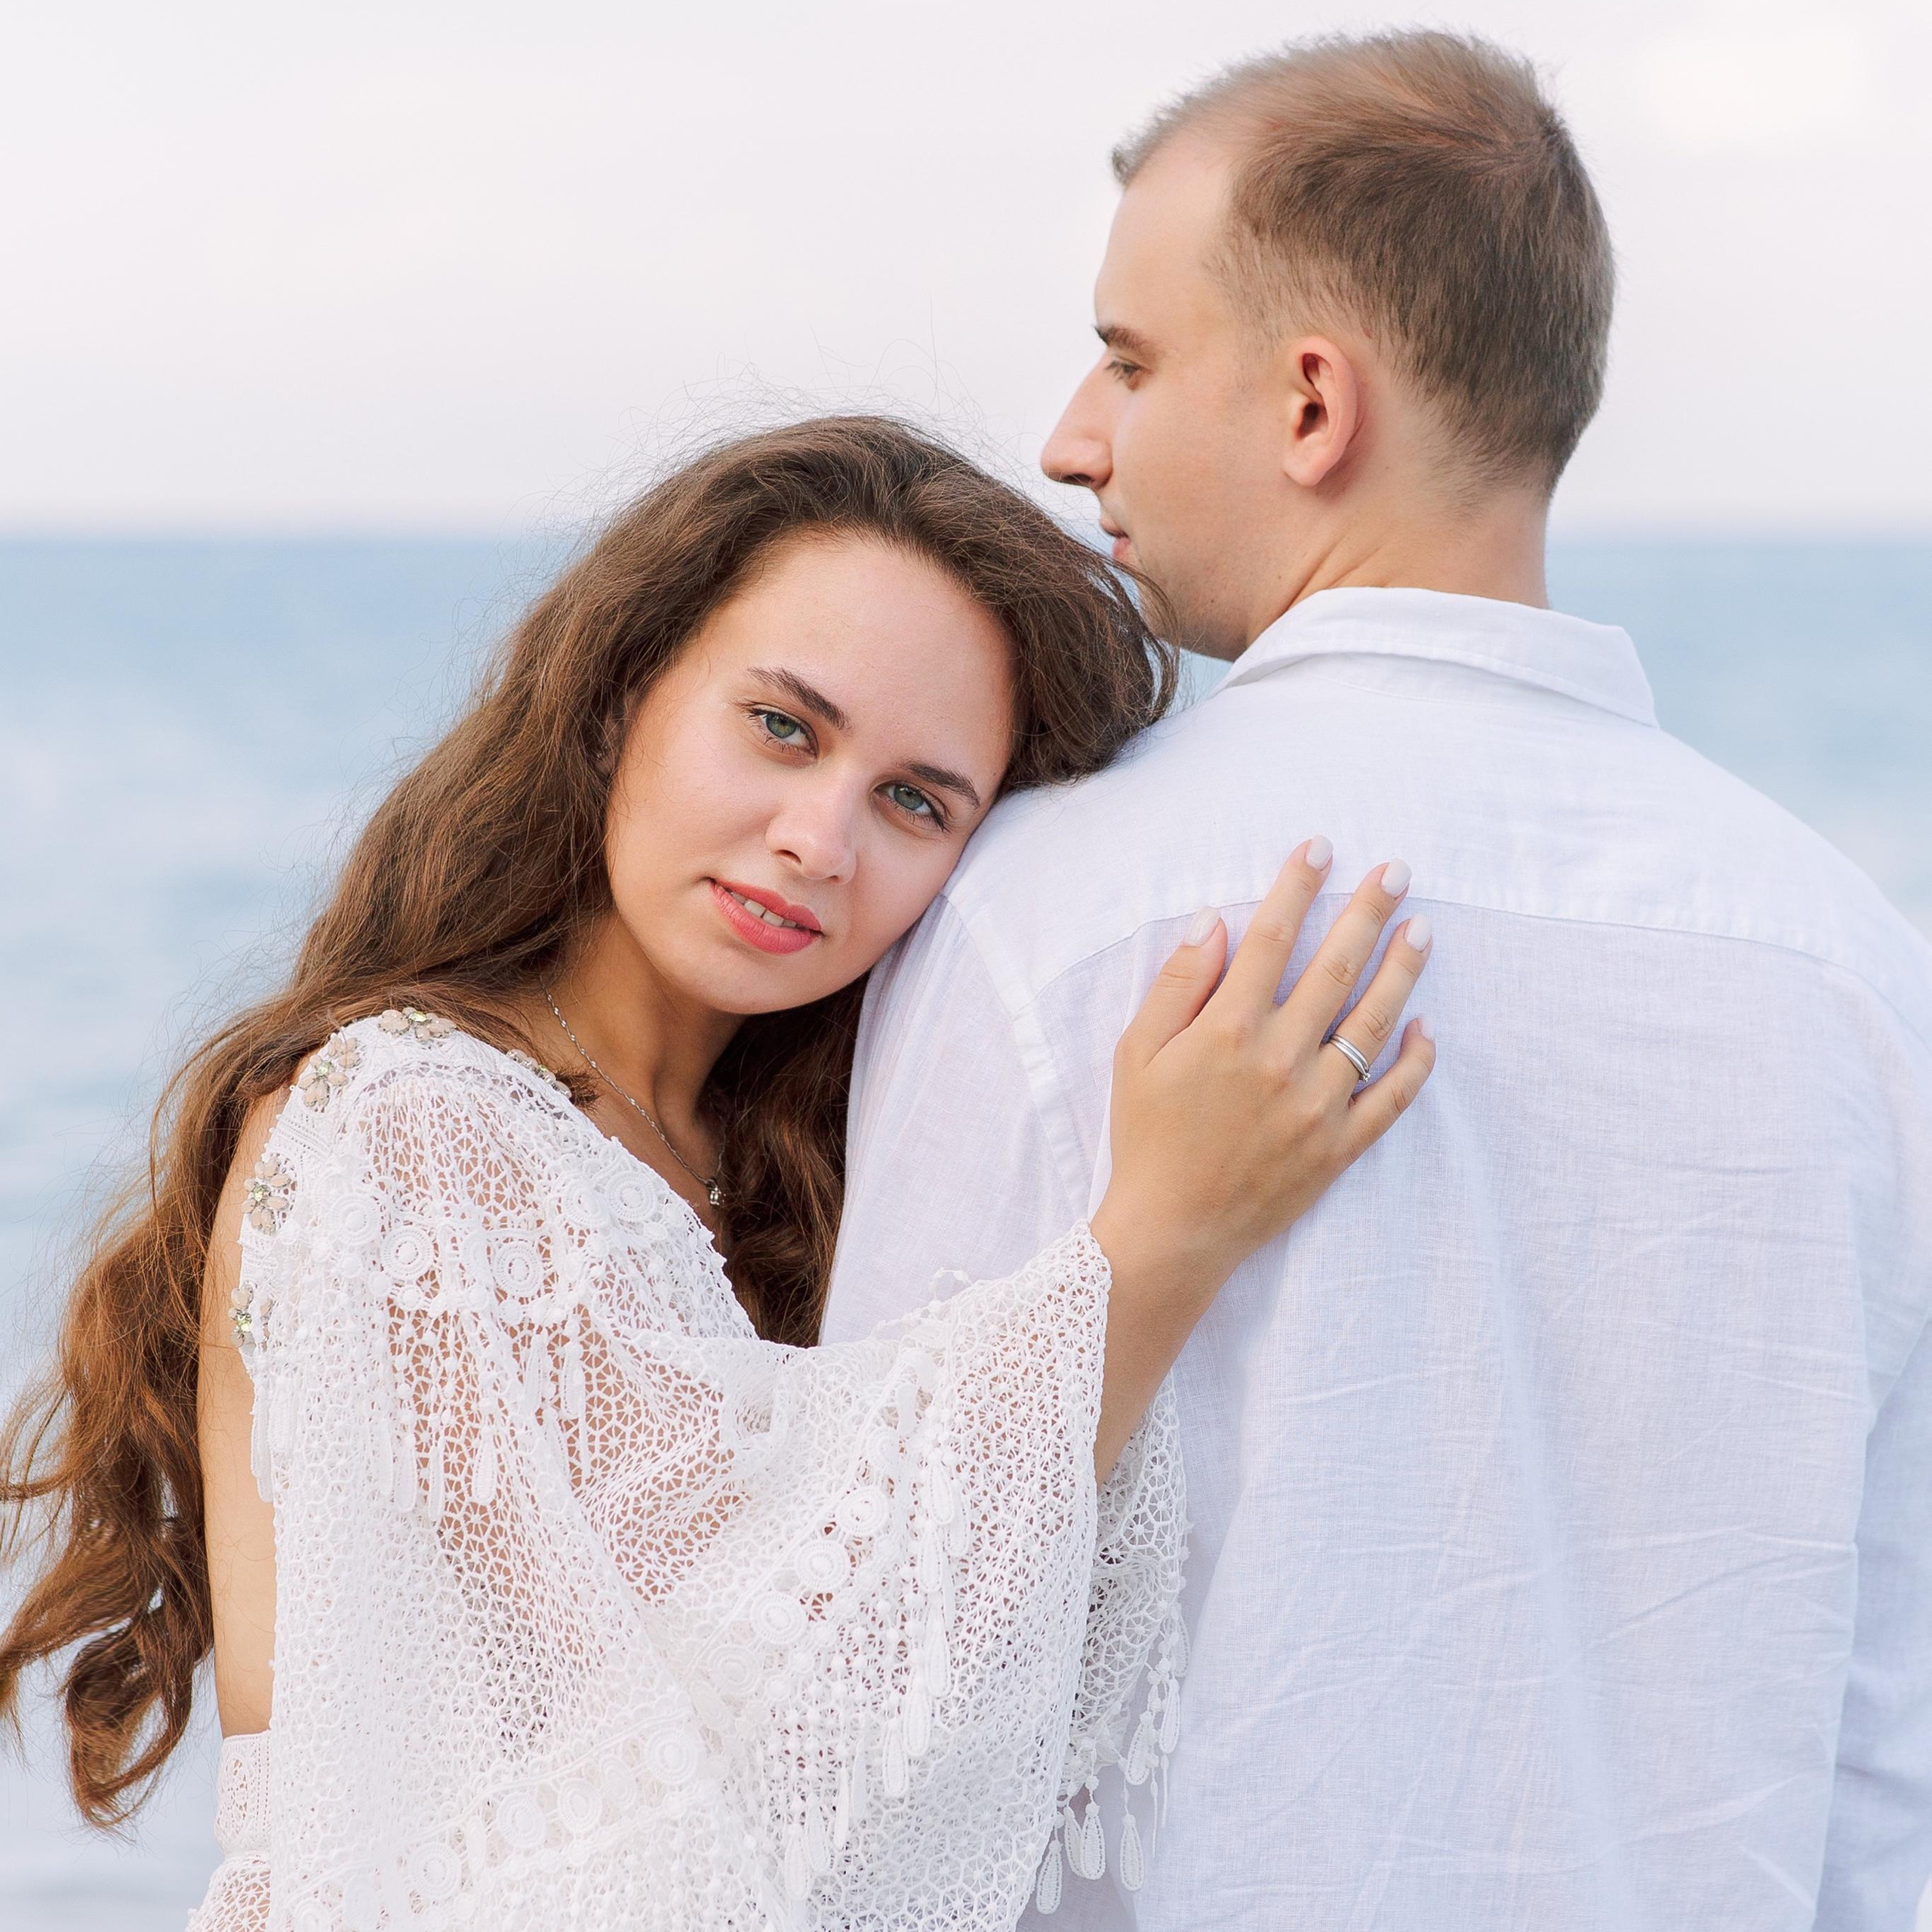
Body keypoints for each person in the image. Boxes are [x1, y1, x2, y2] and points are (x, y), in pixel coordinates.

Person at [0, 417, 1433, 1930]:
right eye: (782, 727)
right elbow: (727, 1757)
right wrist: (1158, 1240)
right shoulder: (399, 1125)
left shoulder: (778, 1160)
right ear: (622, 697)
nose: (817, 839)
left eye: (915, 801)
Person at [823, 32, 1932, 1932]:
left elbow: (872, 1655)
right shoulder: (1852, 976)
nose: (1073, 433)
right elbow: (1883, 1752)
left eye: (1132, 355)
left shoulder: (1059, 910)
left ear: (1312, 400)